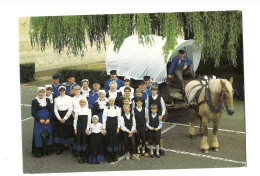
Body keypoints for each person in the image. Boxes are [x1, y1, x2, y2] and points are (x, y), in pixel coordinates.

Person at [31, 87, 53, 158]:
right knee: (38, 134)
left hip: (47, 121)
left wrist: (49, 118)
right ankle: (38, 151)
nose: (41, 94)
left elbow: (50, 110)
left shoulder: (47, 100)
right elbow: (33, 112)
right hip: (39, 122)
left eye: (43, 92)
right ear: (38, 93)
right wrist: (39, 119)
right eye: (40, 92)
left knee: (48, 134)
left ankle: (47, 150)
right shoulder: (34, 101)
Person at [53, 86, 74, 154]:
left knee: (67, 131)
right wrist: (59, 118)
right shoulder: (56, 99)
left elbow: (70, 109)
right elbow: (55, 110)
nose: (62, 92)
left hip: (67, 116)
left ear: (65, 91)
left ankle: (67, 145)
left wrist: (65, 118)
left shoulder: (69, 98)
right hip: (59, 116)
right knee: (59, 131)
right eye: (60, 91)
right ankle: (60, 147)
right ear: (59, 92)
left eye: (63, 91)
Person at [147, 85, 166, 156]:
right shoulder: (149, 98)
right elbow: (146, 107)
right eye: (152, 90)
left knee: (159, 135)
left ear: (157, 91)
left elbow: (163, 108)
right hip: (151, 118)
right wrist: (147, 115)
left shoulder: (160, 98)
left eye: (155, 90)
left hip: (158, 117)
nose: (153, 91)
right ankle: (152, 150)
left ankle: (161, 149)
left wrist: (161, 115)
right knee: (151, 135)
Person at [102, 97, 121, 163]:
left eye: (112, 101)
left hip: (115, 124)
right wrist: (104, 128)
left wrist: (118, 127)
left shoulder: (118, 108)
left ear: (114, 101)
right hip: (109, 125)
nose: (111, 102)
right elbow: (104, 118)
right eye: (110, 101)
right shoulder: (106, 108)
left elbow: (119, 118)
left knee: (115, 139)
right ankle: (110, 156)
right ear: (108, 102)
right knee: (109, 140)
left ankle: (114, 155)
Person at [73, 99, 92, 163]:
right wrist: (75, 128)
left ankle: (85, 154)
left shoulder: (88, 110)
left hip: (85, 126)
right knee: (79, 139)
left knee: (85, 139)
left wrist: (87, 128)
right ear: (79, 103)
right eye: (81, 102)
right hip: (79, 126)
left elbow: (89, 120)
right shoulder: (77, 110)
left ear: (85, 103)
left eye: (83, 102)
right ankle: (80, 155)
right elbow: (75, 119)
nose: (82, 103)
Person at [71, 85, 88, 155]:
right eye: (76, 90)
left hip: (83, 118)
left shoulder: (84, 98)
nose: (77, 91)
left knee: (83, 135)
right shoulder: (72, 99)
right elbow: (71, 110)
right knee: (77, 134)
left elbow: (86, 108)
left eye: (78, 90)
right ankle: (77, 149)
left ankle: (83, 150)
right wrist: (75, 118)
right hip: (75, 117)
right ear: (74, 91)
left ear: (80, 90)